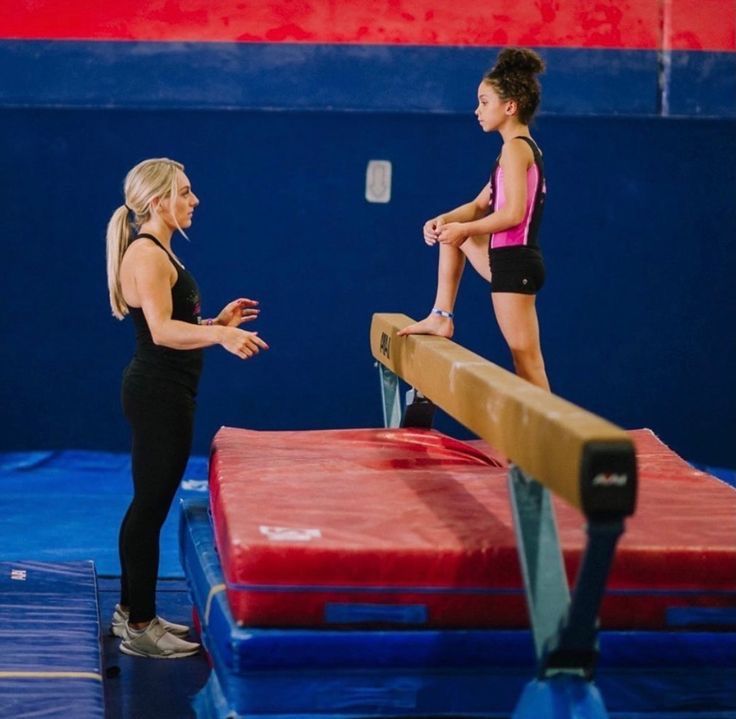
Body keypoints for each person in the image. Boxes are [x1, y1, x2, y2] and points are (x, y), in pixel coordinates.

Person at [105, 157, 269, 659]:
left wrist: (218, 319)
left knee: (149, 504)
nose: (194, 200)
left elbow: (177, 323)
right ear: (158, 202)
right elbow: (160, 332)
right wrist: (220, 334)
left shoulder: (159, 252)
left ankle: (134, 611)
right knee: (149, 506)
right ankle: (137, 624)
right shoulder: (148, 255)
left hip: (166, 390)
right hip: (157, 394)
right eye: (185, 192)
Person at [399, 48, 550, 391]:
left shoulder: (517, 149)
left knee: (527, 362)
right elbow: (479, 204)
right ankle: (441, 316)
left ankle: (549, 443)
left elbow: (513, 214)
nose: (477, 110)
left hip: (516, 263)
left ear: (510, 106)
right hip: (507, 260)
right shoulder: (512, 151)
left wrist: (464, 228)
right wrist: (445, 220)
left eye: (484, 102)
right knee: (454, 235)